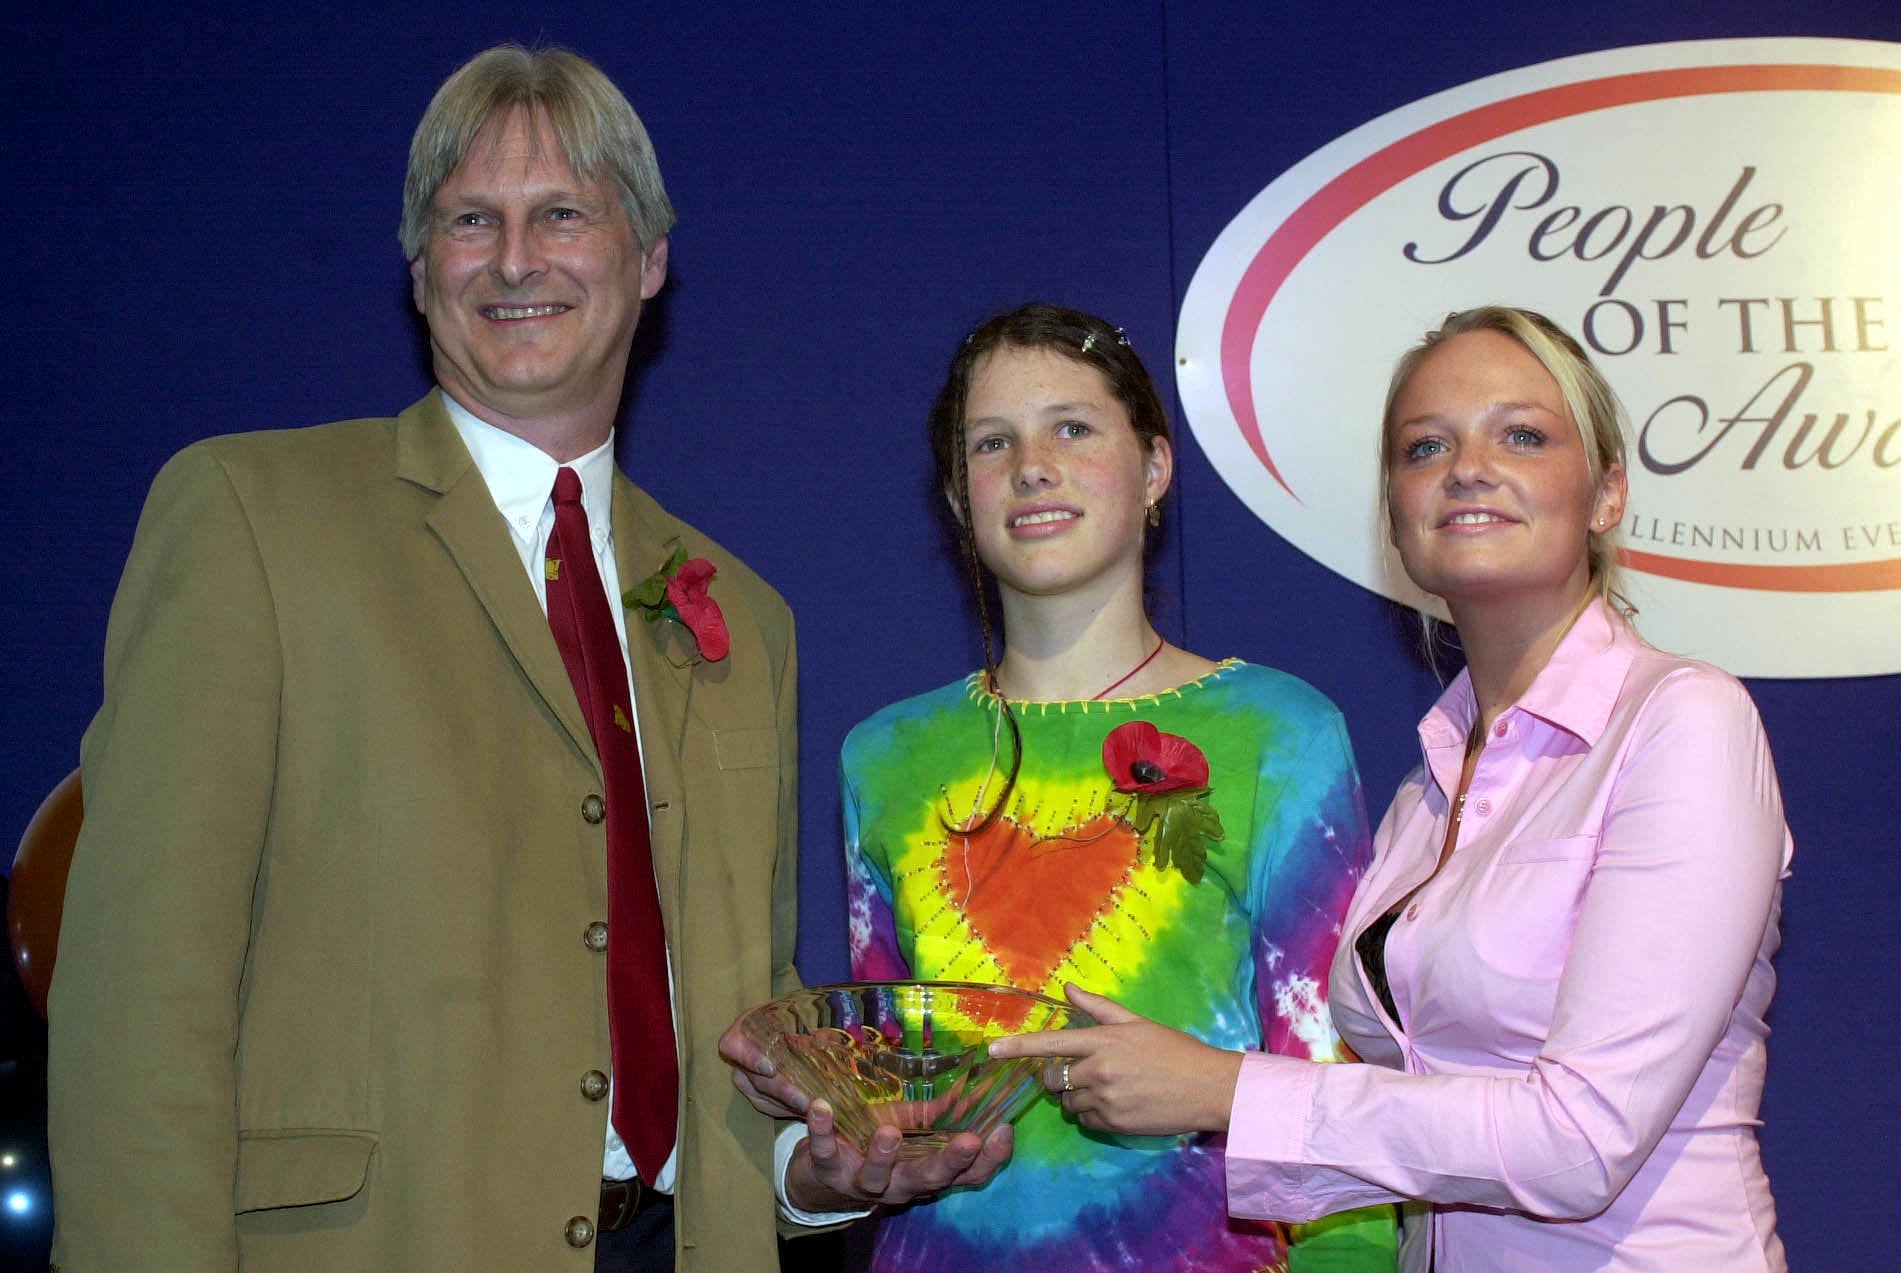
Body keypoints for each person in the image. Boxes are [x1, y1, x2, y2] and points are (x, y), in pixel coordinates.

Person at [47, 44, 800, 1273]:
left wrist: (826, 1167)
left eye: (562, 212)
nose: (514, 259)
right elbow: (140, 999)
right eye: (470, 220)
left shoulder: (744, 615)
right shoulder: (250, 513)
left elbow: (741, 1028)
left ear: (650, 259)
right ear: (417, 271)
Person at [995, 306, 1793, 1272]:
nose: (1465, 467)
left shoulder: (1682, 720)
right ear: (1395, 517)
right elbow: (1402, 1121)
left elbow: (1581, 1141)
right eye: (1425, 447)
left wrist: (1224, 1090)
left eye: (1522, 435)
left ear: (1607, 492)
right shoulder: (1429, 788)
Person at [729, 303, 1395, 1269]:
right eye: (991, 442)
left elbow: (1330, 1095)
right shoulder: (882, 754)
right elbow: (889, 1094)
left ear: (1155, 466)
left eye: (1072, 428)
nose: (1031, 465)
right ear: (959, 496)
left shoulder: (1280, 732)